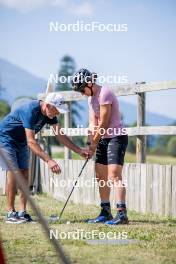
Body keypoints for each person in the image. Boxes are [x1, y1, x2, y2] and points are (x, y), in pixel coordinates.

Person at [0, 93, 88, 224]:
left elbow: (60, 136)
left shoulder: (49, 114)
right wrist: (49, 160)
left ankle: (22, 212)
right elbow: (31, 142)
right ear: (47, 105)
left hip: (21, 141)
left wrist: (79, 150)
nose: (57, 114)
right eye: (56, 110)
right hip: (5, 139)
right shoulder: (30, 110)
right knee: (14, 173)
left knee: (25, 173)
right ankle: (10, 213)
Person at [72, 69, 128, 225]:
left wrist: (95, 142)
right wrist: (90, 144)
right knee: (100, 176)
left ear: (90, 83)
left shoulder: (105, 93)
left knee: (114, 175)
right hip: (103, 138)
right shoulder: (90, 98)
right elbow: (93, 124)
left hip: (116, 137)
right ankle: (105, 212)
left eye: (82, 89)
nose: (83, 93)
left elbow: (104, 122)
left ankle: (122, 214)